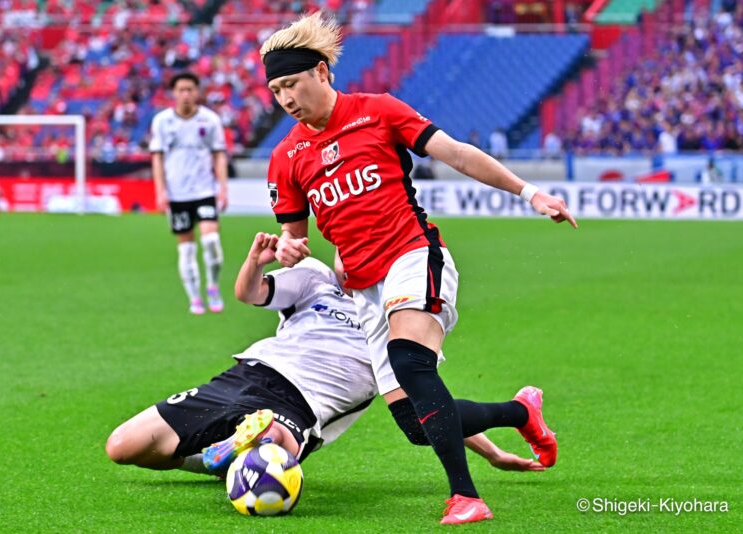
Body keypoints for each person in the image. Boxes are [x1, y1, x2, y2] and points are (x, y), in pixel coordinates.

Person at [260, 12, 575, 524]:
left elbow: (456, 154)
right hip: (362, 288)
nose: (286, 98)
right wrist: (288, 250)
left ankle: (466, 497)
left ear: (321, 71)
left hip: (414, 254)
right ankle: (521, 412)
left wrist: (530, 193)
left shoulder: (378, 112)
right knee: (414, 421)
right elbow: (294, 238)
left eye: (292, 83)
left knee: (409, 361)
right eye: (276, 90)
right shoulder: (286, 156)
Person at [105, 233, 549, 480]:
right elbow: (249, 293)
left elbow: (429, 406)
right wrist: (256, 260)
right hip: (248, 374)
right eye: (344, 251)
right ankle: (218, 460)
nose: (349, 260)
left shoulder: (396, 316)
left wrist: (491, 453)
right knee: (122, 447)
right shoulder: (314, 277)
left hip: (301, 407)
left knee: (274, 442)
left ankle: (251, 449)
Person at [149, 72, 229, 315]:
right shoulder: (162, 121)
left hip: (204, 191)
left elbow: (219, 154)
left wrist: (223, 188)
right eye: (181, 90)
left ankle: (213, 286)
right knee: (186, 249)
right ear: (174, 93)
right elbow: (157, 158)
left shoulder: (210, 120)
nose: (186, 94)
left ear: (197, 92)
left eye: (190, 89)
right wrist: (160, 191)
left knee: (211, 241)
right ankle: (194, 296)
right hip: (177, 194)